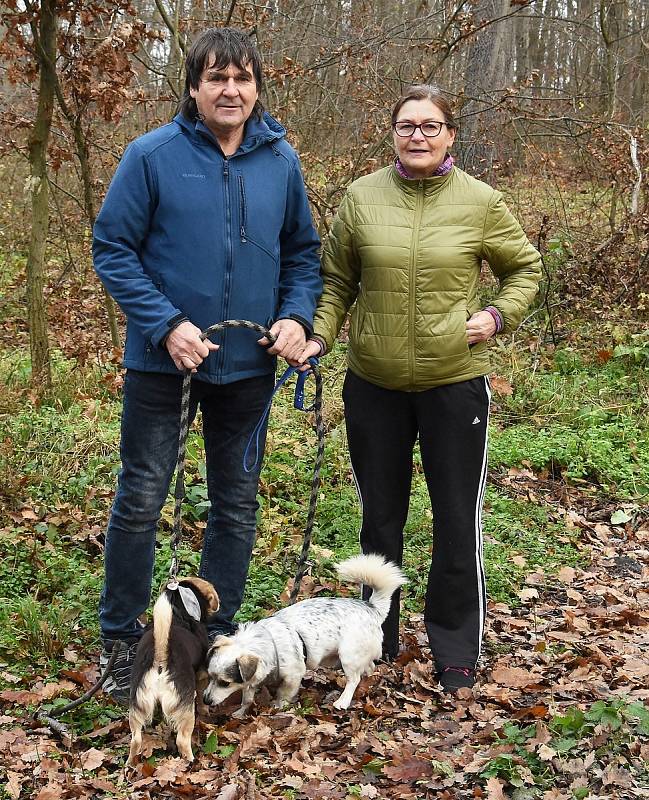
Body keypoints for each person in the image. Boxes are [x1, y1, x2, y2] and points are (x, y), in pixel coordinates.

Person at [93, 27, 321, 704]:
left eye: (242, 79)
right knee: (140, 500)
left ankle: (214, 632)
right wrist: (165, 325)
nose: (230, 90)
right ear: (193, 87)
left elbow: (303, 255)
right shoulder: (152, 155)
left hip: (248, 368)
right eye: (216, 78)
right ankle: (119, 639)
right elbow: (113, 247)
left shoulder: (279, 162)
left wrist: (295, 317)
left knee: (236, 503)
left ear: (257, 88)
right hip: (161, 365)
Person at [299, 85, 541, 694]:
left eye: (431, 125)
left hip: (452, 385)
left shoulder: (481, 201)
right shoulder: (361, 196)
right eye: (407, 124)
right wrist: (319, 338)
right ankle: (376, 638)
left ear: (450, 135)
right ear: (392, 133)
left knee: (456, 519)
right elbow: (336, 283)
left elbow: (526, 269)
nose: (418, 135)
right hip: (373, 385)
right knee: (380, 520)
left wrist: (496, 316)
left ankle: (455, 649)